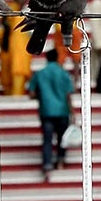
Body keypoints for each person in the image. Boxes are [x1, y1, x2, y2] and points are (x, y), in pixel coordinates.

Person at [28, 49, 74, 181]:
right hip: (62, 111)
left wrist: (42, 96)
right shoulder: (63, 73)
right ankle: (60, 161)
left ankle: (47, 165)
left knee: (47, 140)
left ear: (46, 59)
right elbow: (68, 94)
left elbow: (31, 94)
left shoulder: (40, 74)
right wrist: (72, 112)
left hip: (47, 111)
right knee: (62, 138)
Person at [0, 0, 30, 95]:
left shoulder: (20, 16)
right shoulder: (13, 13)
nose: (22, 1)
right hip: (13, 56)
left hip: (19, 59)